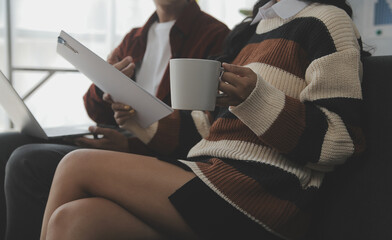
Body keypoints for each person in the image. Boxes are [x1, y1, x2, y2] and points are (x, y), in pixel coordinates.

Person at [39, 0, 368, 239]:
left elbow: (341, 140)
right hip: (209, 175)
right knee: (74, 220)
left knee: (75, 164)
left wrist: (257, 99)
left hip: (264, 194)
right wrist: (137, 117)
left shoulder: (327, 22)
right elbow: (202, 128)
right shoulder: (246, 32)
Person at [3, 0, 229, 239]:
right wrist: (105, 85)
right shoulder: (135, 37)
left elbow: (202, 128)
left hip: (155, 152)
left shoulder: (215, 35)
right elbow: (96, 111)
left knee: (26, 160)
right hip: (117, 137)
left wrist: (130, 145)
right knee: (8, 144)